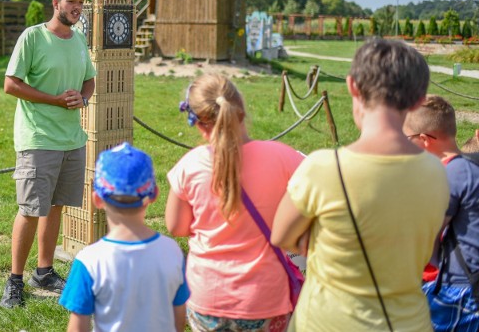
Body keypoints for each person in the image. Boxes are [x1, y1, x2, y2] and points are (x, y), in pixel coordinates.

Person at [271, 38, 450, 331]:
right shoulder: (438, 172)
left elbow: (281, 236)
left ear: (353, 86)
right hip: (407, 322)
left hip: (327, 322)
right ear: (419, 100)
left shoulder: (322, 167)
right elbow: (422, 243)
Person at [165, 73, 304, 332]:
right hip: (265, 299)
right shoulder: (284, 158)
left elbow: (176, 226)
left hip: (208, 297)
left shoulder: (191, 165)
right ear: (240, 110)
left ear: (198, 122)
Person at [0, 0, 97, 308]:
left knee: (56, 205)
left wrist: (82, 100)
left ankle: (43, 271)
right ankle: (14, 281)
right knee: (30, 209)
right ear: (55, 2)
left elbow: (89, 79)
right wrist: (54, 101)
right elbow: (11, 84)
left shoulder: (79, 40)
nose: (78, 8)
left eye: (81, 3)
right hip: (38, 138)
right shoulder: (33, 37)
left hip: (71, 139)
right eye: (72, 2)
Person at [59, 142, 190, 332]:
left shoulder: (88, 260)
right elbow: (179, 320)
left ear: (97, 199)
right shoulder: (173, 252)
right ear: (153, 195)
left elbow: (78, 328)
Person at [404, 95, 479, 331]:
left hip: (456, 288)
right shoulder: (469, 164)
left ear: (424, 140)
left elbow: (424, 237)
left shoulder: (448, 176)